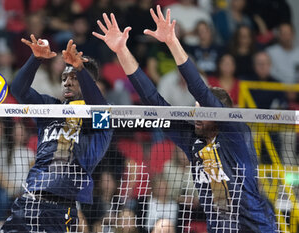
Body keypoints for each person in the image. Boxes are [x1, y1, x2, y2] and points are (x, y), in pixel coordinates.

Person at [93, 6, 276, 232]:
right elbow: (153, 100)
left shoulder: (235, 134)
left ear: (221, 116)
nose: (196, 116)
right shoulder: (193, 141)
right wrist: (121, 50)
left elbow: (199, 89)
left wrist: (172, 42)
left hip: (256, 228)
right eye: (195, 110)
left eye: (203, 112)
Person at [0, 35, 113, 233]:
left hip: (61, 210)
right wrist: (35, 59)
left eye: (74, 78)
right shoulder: (51, 107)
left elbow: (100, 109)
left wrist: (80, 67)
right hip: (28, 202)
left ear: (90, 82)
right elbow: (18, 90)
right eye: (64, 78)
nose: (67, 83)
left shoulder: (101, 118)